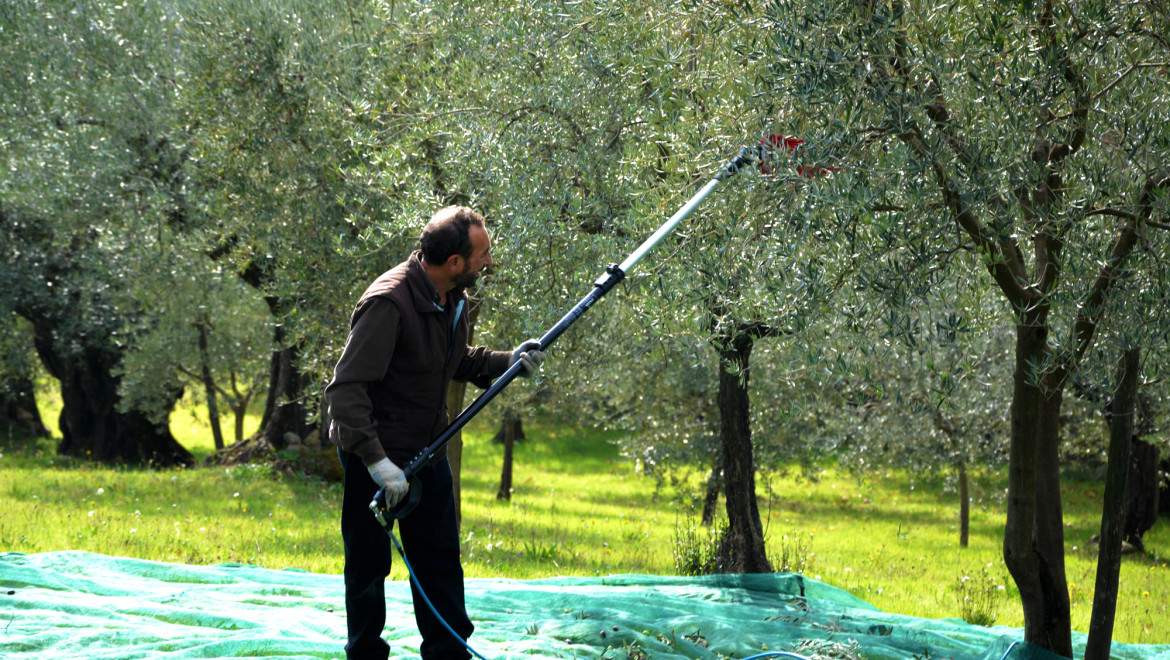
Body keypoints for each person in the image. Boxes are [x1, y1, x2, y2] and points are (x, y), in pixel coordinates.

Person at [325, 205, 545, 660]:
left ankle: (448, 654)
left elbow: (455, 359)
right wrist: (376, 460)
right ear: (454, 263)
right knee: (368, 566)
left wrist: (508, 363)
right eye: (482, 255)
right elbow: (345, 391)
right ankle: (365, 655)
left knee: (440, 562)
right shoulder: (389, 303)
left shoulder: (450, 298)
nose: (489, 262)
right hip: (377, 454)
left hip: (429, 451)